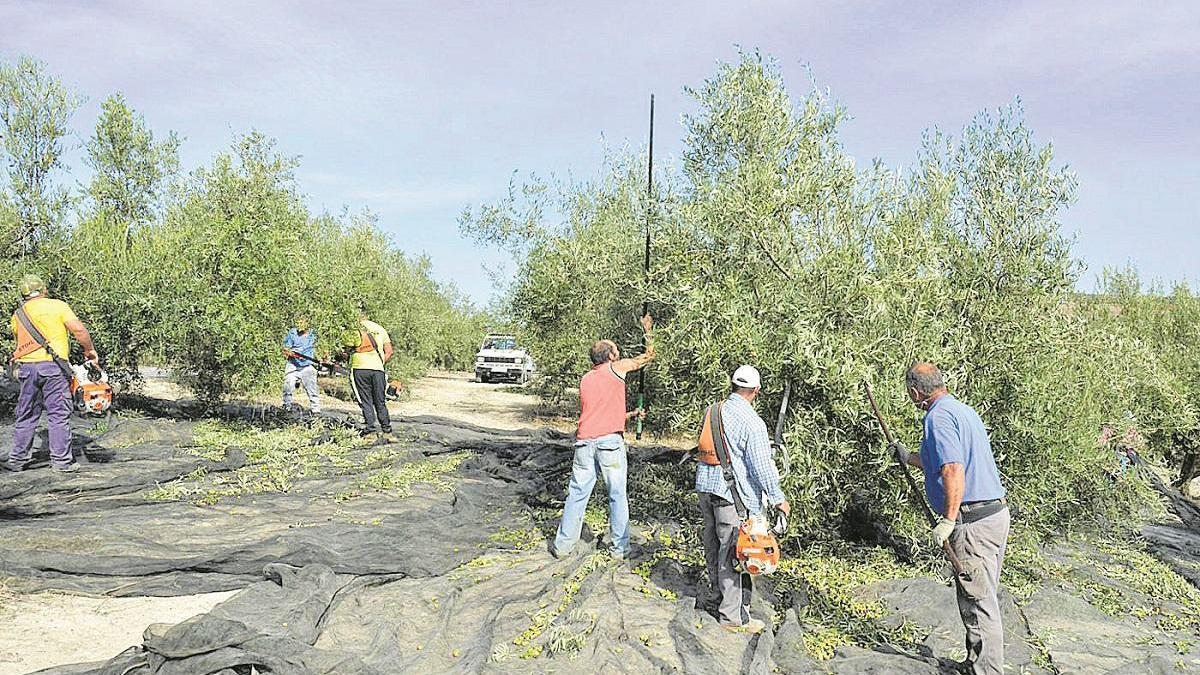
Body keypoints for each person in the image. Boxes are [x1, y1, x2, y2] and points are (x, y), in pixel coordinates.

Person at [891, 362, 1009, 675]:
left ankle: (987, 670)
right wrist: (908, 457)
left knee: (979, 599)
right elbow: (942, 462)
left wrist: (948, 518)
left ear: (916, 392)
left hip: (973, 524)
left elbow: (953, 469)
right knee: (979, 595)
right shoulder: (962, 411)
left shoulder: (938, 418)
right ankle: (975, 664)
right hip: (993, 514)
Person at [694, 365, 789, 634]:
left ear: (732, 385)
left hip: (707, 487)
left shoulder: (713, 411)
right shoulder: (753, 423)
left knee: (713, 543)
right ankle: (732, 617)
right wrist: (777, 498)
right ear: (756, 391)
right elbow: (761, 466)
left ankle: (717, 597)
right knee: (734, 552)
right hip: (731, 496)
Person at [552, 313, 655, 561]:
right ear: (610, 355)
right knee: (616, 494)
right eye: (616, 349)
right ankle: (620, 548)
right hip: (609, 443)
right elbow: (647, 357)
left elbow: (600, 411)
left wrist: (630, 414)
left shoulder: (587, 378)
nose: (618, 352)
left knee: (577, 494)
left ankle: (563, 546)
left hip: (585, 442)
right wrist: (647, 330)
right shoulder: (616, 368)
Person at [6, 275, 99, 473]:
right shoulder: (58, 306)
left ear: (24, 294)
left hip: (27, 369)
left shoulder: (18, 314)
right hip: (53, 369)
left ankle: (16, 461)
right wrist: (89, 350)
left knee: (26, 415)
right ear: (44, 290)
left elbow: (19, 342)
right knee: (58, 415)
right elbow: (79, 330)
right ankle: (61, 463)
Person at [344, 310, 393, 441]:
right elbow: (389, 351)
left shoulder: (353, 329)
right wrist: (380, 362)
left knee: (366, 401)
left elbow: (346, 350)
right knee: (380, 401)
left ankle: (371, 431)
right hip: (378, 369)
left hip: (359, 368)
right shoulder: (379, 328)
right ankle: (387, 431)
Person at [281, 318, 321, 414]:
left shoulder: (313, 334)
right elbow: (285, 349)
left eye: (302, 322)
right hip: (292, 365)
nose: (300, 324)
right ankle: (287, 408)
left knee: (312, 389)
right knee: (288, 387)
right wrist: (293, 354)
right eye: (298, 322)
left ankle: (316, 410)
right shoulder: (292, 333)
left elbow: (321, 347)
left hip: (307, 366)